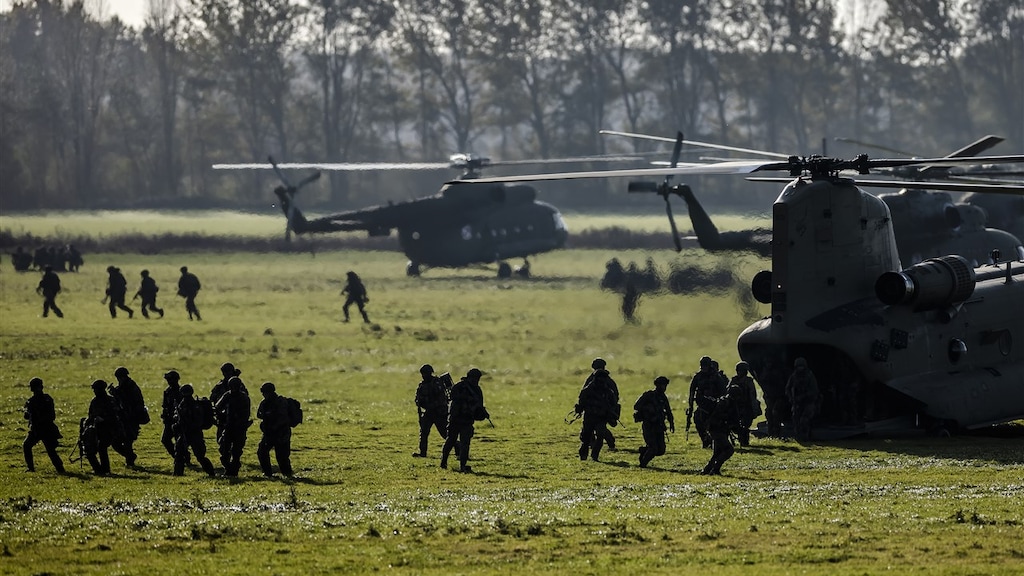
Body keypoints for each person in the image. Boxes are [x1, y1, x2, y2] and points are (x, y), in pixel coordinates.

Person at [441, 368, 487, 473]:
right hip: (456, 419)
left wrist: (482, 412)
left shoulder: (477, 390)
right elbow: (453, 398)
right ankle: (443, 462)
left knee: (465, 444)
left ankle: (462, 465)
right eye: (474, 378)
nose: (476, 380)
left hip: (467, 420)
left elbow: (479, 406)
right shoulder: (459, 387)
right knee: (451, 440)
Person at [576, 360, 619, 461]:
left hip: (601, 417)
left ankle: (594, 455)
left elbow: (614, 400)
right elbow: (582, 399)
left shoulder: (608, 389)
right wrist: (580, 408)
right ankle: (584, 456)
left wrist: (612, 412)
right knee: (586, 438)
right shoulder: (589, 389)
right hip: (590, 416)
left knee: (600, 435)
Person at [83, 379, 126, 475]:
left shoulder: (110, 400)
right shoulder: (94, 401)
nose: (94, 391)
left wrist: (103, 419)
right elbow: (91, 414)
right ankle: (99, 469)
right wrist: (87, 422)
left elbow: (116, 415)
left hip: (110, 429)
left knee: (102, 448)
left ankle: (104, 470)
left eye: (96, 389)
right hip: (97, 429)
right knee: (90, 450)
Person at [171, 384, 216, 477]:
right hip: (185, 433)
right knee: (179, 453)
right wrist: (178, 425)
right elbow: (179, 417)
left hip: (194, 434)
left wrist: (187, 426)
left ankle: (211, 472)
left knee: (200, 456)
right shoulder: (182, 404)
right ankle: (178, 473)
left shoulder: (195, 406)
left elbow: (197, 422)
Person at [23, 378, 65, 473]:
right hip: (37, 429)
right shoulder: (34, 401)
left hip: (45, 429)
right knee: (27, 446)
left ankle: (60, 469)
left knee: (51, 451)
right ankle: (31, 468)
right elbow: (26, 416)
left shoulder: (45, 399)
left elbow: (51, 416)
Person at [697, 385, 741, 475]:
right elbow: (719, 417)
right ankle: (715, 469)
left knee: (717, 453)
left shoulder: (726, 402)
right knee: (728, 450)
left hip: (718, 429)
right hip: (717, 429)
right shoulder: (726, 403)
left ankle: (706, 470)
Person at [634, 376, 675, 468]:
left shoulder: (663, 398)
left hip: (659, 425)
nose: (663, 387)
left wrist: (671, 423)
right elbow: (636, 406)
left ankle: (643, 451)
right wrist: (648, 410)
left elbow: (668, 411)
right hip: (649, 425)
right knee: (653, 448)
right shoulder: (648, 395)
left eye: (665, 385)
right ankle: (643, 464)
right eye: (661, 385)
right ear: (657, 385)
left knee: (661, 450)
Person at [109, 366, 147, 466]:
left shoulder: (131, 387)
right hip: (123, 419)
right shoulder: (122, 387)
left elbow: (132, 403)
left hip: (131, 419)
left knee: (127, 441)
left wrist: (118, 394)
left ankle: (130, 461)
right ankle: (130, 456)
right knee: (116, 442)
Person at [688, 356, 727, 448]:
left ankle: (715, 442)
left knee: (713, 425)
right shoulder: (698, 377)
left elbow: (723, 391)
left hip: (714, 406)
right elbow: (692, 391)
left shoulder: (716, 377)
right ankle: (705, 440)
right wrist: (690, 406)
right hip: (702, 405)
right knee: (698, 422)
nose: (704, 368)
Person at [413, 364, 452, 458]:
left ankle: (457, 447)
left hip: (439, 412)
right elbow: (418, 398)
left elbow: (441, 398)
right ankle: (423, 453)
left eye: (425, 373)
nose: (424, 375)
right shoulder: (422, 385)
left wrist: (432, 406)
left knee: (444, 433)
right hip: (429, 412)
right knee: (424, 433)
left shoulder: (437, 383)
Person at [215, 376, 251, 476]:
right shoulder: (227, 395)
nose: (234, 388)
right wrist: (221, 416)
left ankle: (233, 471)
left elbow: (245, 414)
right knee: (224, 450)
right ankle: (228, 469)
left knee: (236, 452)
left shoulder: (244, 398)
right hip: (228, 427)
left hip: (239, 428)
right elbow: (218, 407)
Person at [256, 382, 293, 477]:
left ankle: (287, 474)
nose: (264, 395)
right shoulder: (264, 403)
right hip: (269, 433)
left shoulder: (280, 402)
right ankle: (267, 473)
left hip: (281, 432)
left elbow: (283, 418)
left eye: (265, 392)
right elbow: (259, 414)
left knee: (282, 456)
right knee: (262, 452)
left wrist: (274, 423)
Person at [211, 362, 246, 445]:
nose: (226, 374)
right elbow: (213, 399)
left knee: (237, 444)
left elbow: (245, 401)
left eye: (228, 372)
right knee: (222, 443)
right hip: (223, 418)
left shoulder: (239, 385)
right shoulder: (219, 386)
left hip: (237, 418)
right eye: (224, 372)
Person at [786, 357, 820, 441]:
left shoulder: (809, 376)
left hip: (808, 402)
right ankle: (798, 436)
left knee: (805, 420)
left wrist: (804, 396)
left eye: (801, 366)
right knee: (796, 419)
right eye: (798, 366)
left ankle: (806, 436)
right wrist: (791, 398)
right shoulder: (794, 376)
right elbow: (788, 388)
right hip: (797, 402)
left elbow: (814, 390)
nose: (800, 368)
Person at [728, 362, 761, 447]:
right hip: (735, 406)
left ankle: (744, 441)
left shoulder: (748, 381)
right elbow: (728, 392)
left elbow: (752, 395)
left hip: (746, 407)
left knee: (745, 425)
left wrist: (754, 408)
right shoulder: (734, 380)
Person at [160, 371, 185, 458]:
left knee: (180, 441)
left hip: (179, 420)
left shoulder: (181, 392)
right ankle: (177, 456)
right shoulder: (167, 391)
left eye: (170, 379)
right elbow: (165, 406)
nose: (169, 381)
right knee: (165, 440)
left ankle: (183, 457)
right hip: (169, 420)